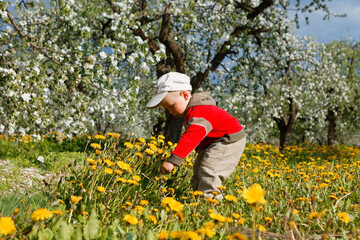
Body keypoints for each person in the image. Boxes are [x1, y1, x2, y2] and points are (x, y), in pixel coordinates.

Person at [146, 72, 246, 200]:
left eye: (171, 106)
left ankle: (210, 203)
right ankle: (197, 202)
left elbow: (192, 136)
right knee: (198, 172)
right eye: (167, 109)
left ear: (185, 95)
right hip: (214, 142)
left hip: (228, 140)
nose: (170, 112)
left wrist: (172, 161)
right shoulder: (193, 110)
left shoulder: (200, 110)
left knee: (209, 171)